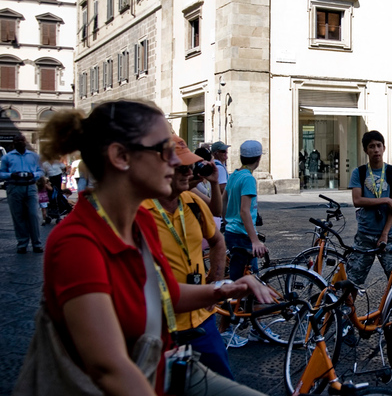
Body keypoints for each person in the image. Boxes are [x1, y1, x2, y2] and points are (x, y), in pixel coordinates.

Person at [38, 100, 274, 396]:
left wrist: (228, 288)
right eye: (163, 151)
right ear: (120, 156)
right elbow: (109, 369)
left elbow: (166, 294)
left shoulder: (140, 223)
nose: (177, 162)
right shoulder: (76, 243)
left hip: (161, 368)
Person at [141, 135, 236, 376]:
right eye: (180, 167)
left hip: (202, 321)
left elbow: (217, 239)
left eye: (189, 166)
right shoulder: (139, 213)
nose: (187, 172)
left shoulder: (192, 201)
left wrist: (214, 281)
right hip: (160, 327)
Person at [347, 131, 392, 286]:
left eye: (379, 145)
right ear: (366, 150)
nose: (376, 150)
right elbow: (357, 200)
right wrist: (385, 199)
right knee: (352, 281)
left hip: (389, 236)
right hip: (365, 234)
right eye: (372, 146)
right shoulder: (359, 172)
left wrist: (385, 234)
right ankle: (349, 310)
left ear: (384, 148)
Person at [223, 140, 267, 281]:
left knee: (242, 276)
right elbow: (244, 211)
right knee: (248, 279)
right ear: (259, 158)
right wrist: (255, 240)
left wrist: (227, 221)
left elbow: (224, 200)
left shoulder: (234, 175)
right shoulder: (248, 178)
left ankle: (239, 302)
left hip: (231, 232)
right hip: (242, 235)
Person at [0, 134, 44, 254]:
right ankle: (22, 243)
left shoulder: (34, 156)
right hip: (14, 187)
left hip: (30, 187)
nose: (20, 142)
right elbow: (1, 174)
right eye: (17, 141)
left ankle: (37, 243)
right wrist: (11, 175)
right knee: (18, 216)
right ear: (14, 143)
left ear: (25, 141)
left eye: (21, 140)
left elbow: (41, 170)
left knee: (33, 215)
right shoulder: (7, 157)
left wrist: (33, 175)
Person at [211, 141, 230, 223]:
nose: (225, 153)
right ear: (216, 153)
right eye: (223, 151)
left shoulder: (215, 165)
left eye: (226, 151)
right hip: (221, 208)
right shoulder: (220, 168)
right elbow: (222, 188)